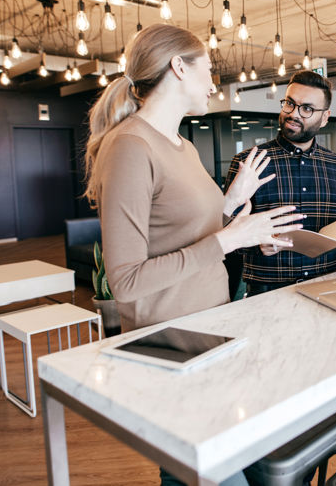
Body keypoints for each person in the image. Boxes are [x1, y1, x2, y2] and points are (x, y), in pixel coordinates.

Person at [84, 24, 303, 486]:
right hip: (171, 343)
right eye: (208, 69)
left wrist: (235, 216)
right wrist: (228, 239)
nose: (213, 83)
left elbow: (182, 231)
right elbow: (125, 281)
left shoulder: (181, 144)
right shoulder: (130, 147)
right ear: (178, 67)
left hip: (210, 328)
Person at [225, 70, 336, 297]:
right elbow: (225, 234)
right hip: (268, 291)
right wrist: (257, 243)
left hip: (328, 284)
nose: (294, 114)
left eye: (307, 108)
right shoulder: (248, 163)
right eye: (289, 104)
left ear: (325, 117)